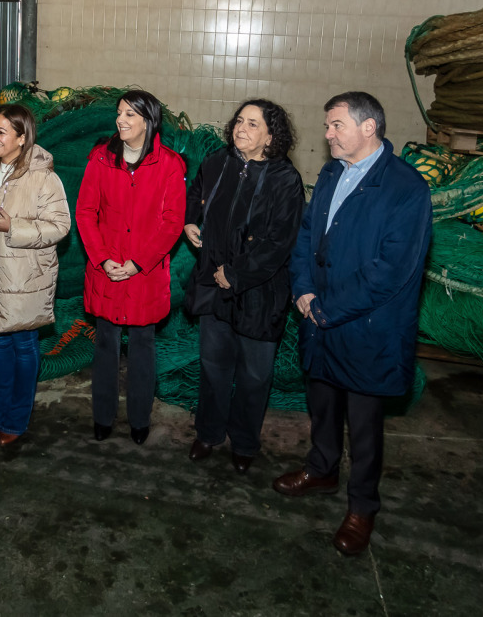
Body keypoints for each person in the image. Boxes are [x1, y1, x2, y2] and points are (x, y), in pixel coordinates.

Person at [276, 92, 432, 556]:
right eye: (328, 126)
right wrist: (303, 289)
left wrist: (325, 308)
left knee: (364, 425)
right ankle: (321, 468)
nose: (327, 135)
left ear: (369, 128)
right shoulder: (330, 173)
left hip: (367, 327)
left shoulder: (406, 188)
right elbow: (306, 236)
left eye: (335, 125)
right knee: (322, 404)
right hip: (318, 316)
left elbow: (390, 270)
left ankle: (363, 506)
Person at [183, 99, 304, 474]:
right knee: (213, 366)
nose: (241, 129)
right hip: (214, 289)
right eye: (239, 121)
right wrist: (190, 221)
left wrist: (235, 275)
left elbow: (278, 242)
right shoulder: (218, 163)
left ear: (271, 136)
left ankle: (245, 443)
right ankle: (208, 433)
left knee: (254, 376)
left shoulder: (286, 179)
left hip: (259, 293)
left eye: (253, 124)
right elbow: (195, 195)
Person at [75, 90, 185, 445]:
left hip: (145, 274)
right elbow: (86, 212)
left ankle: (140, 419)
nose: (120, 120)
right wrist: (103, 258)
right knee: (105, 344)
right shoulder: (101, 159)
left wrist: (137, 263)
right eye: (119, 113)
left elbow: (172, 222)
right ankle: (102, 417)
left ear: (148, 122)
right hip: (106, 269)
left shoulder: (169, 164)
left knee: (142, 345)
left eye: (130, 115)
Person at [0, 105, 70, 446]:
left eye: (1, 132)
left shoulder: (42, 176)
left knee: (23, 346)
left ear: (21, 138)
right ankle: (0, 414)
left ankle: (17, 420)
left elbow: (60, 226)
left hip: (24, 278)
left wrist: (13, 227)